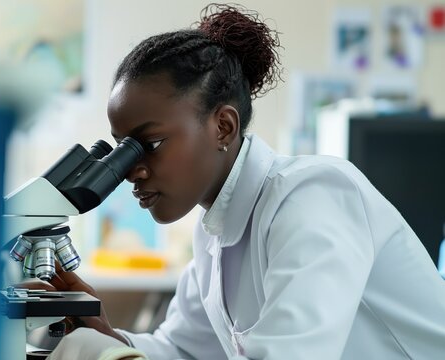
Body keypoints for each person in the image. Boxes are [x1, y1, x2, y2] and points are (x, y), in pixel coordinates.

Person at [32, 4, 445, 359]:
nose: (130, 170)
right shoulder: (215, 235)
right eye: (122, 148)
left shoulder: (314, 196)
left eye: (149, 144)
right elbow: (182, 351)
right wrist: (108, 335)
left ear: (223, 127)